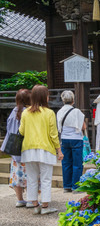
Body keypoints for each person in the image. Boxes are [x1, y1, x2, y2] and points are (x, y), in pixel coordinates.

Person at [19, 85, 63, 215]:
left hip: (28, 148)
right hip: (45, 149)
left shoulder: (25, 112)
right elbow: (53, 134)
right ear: (45, 97)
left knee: (31, 178)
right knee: (45, 178)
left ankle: (35, 205)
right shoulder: (49, 113)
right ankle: (45, 206)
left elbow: (21, 131)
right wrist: (59, 151)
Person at [0, 89, 31, 207]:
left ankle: (20, 199)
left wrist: (5, 147)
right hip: (26, 147)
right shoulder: (28, 113)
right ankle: (31, 199)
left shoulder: (13, 113)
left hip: (14, 148)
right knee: (29, 174)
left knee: (17, 174)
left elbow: (8, 132)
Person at [56, 90, 86, 193]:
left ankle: (67, 186)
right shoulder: (77, 111)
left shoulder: (59, 111)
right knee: (77, 163)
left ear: (63, 100)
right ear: (73, 100)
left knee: (66, 163)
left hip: (64, 138)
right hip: (76, 139)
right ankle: (75, 186)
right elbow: (83, 126)